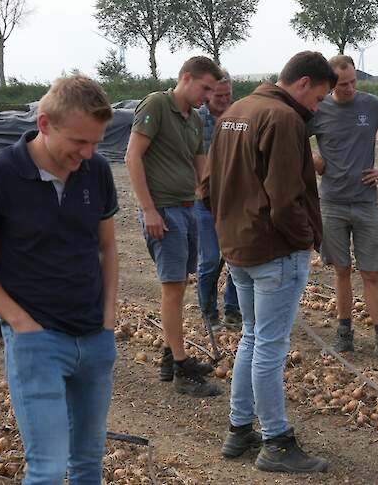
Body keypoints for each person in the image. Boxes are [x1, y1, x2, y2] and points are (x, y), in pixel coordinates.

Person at [0, 76, 118, 485]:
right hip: (37, 343)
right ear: (44, 124)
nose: (89, 152)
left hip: (94, 337)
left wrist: (109, 320)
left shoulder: (95, 171)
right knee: (46, 469)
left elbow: (108, 249)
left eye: (96, 141)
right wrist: (20, 324)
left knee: (87, 464)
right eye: (79, 141)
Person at [205, 51, 336, 474]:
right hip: (274, 250)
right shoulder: (283, 119)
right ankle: (276, 441)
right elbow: (285, 195)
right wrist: (304, 240)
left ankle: (239, 429)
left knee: (250, 338)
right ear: (303, 83)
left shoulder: (235, 112)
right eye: (319, 98)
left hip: (237, 247)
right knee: (270, 348)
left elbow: (208, 185)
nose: (316, 107)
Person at [125, 56, 223, 397]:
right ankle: (181, 368)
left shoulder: (194, 119)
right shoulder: (156, 104)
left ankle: (170, 356)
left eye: (212, 90)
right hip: (163, 211)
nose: (208, 96)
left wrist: (218, 201)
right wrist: (148, 209)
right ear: (186, 78)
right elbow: (133, 156)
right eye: (205, 88)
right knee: (172, 286)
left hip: (188, 209)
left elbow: (202, 168)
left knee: (180, 284)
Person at [309, 55, 378, 363]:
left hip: (366, 203)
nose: (350, 88)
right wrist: (315, 161)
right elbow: (294, 139)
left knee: (371, 272)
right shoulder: (319, 109)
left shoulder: (372, 105)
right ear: (330, 84)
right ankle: (345, 333)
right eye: (343, 84)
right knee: (341, 271)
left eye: (354, 81)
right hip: (332, 204)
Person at [195, 73, 241, 331]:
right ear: (208, 93)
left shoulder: (239, 118)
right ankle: (208, 312)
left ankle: (233, 310)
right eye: (218, 95)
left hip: (235, 200)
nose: (224, 100)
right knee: (210, 259)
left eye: (227, 95)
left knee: (237, 258)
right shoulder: (196, 120)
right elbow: (191, 157)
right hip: (206, 201)